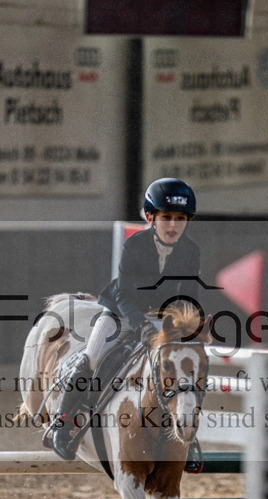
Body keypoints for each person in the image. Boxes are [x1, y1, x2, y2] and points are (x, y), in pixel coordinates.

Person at [46, 177, 204, 471]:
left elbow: (188, 297)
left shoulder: (190, 251)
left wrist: (186, 328)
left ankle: (188, 436)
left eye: (180, 219)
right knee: (90, 360)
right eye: (166, 217)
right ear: (150, 217)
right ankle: (62, 424)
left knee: (182, 368)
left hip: (161, 320)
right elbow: (122, 293)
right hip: (119, 312)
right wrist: (140, 324)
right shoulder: (135, 245)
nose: (173, 226)